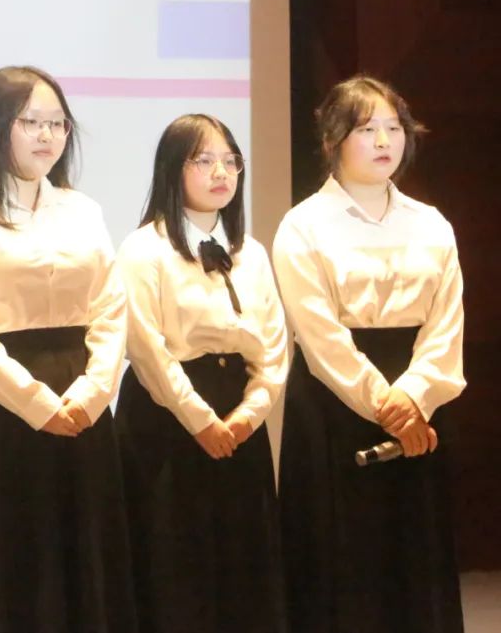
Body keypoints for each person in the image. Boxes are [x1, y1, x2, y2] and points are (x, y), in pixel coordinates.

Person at [0, 66, 135, 633]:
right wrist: (36, 403)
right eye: (30, 121)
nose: (46, 135)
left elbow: (111, 307)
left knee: (82, 559)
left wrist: (94, 391)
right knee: (5, 561)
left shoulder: (81, 209)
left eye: (58, 123)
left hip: (81, 402)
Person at [273, 75, 465, 633]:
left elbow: (446, 323)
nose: (384, 141)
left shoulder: (431, 223)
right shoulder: (303, 226)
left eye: (394, 128)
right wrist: (385, 404)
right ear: (332, 140)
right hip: (334, 403)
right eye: (366, 129)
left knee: (415, 556)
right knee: (341, 561)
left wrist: (415, 397)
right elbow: (319, 335)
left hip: (419, 403)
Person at [114, 114, 288, 633]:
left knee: (242, 563)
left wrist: (251, 412)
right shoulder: (144, 248)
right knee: (172, 564)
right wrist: (200, 420)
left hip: (239, 420)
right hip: (166, 417)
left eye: (230, 161)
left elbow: (274, 346)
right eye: (204, 160)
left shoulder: (251, 252)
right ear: (173, 168)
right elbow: (146, 348)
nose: (221, 172)